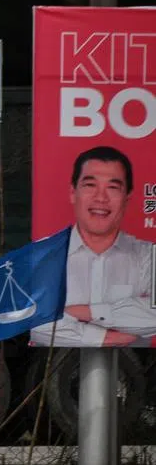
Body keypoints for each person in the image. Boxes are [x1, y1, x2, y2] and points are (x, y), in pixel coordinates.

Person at [29, 145, 156, 348]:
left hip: (135, 365)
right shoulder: (41, 255)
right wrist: (108, 337)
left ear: (127, 198)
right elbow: (30, 321)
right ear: (73, 192)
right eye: (90, 185)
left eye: (113, 187)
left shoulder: (149, 254)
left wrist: (82, 313)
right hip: (54, 364)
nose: (101, 198)